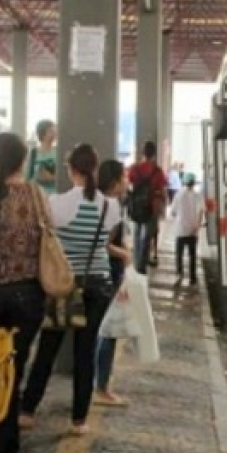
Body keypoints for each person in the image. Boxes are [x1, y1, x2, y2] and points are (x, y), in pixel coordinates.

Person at [20, 144, 121, 436]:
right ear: (94, 168)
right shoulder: (110, 206)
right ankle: (80, 420)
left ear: (70, 169)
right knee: (85, 351)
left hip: (66, 284)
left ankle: (27, 410)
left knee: (48, 347)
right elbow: (104, 243)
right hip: (100, 283)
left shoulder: (56, 203)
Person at [0, 133, 47, 453]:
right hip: (25, 297)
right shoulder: (33, 194)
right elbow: (49, 234)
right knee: (10, 379)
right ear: (22, 160)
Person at [93, 160, 132, 408]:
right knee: (109, 330)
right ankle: (102, 388)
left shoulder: (98, 202)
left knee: (102, 330)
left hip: (103, 272)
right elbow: (104, 244)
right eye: (124, 177)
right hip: (109, 272)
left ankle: (99, 384)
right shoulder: (112, 206)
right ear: (115, 181)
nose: (127, 182)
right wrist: (124, 254)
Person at [127, 141, 167, 275]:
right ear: (154, 154)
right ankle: (141, 265)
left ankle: (136, 262)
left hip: (137, 205)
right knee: (147, 236)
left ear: (143, 153)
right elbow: (161, 189)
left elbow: (129, 184)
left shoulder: (134, 168)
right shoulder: (158, 171)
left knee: (137, 233)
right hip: (151, 206)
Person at [170, 173, 204, 287]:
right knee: (192, 254)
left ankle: (179, 275)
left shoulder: (178, 195)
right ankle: (192, 278)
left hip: (180, 229)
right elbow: (201, 211)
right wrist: (197, 226)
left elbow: (173, 212)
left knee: (179, 254)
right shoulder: (197, 195)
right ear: (194, 183)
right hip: (192, 229)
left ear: (184, 182)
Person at [25, 119, 57, 195]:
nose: (54, 133)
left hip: (54, 195)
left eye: (54, 131)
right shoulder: (33, 153)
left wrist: (52, 178)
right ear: (43, 133)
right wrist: (38, 178)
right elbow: (28, 177)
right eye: (51, 131)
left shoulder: (58, 152)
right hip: (37, 195)